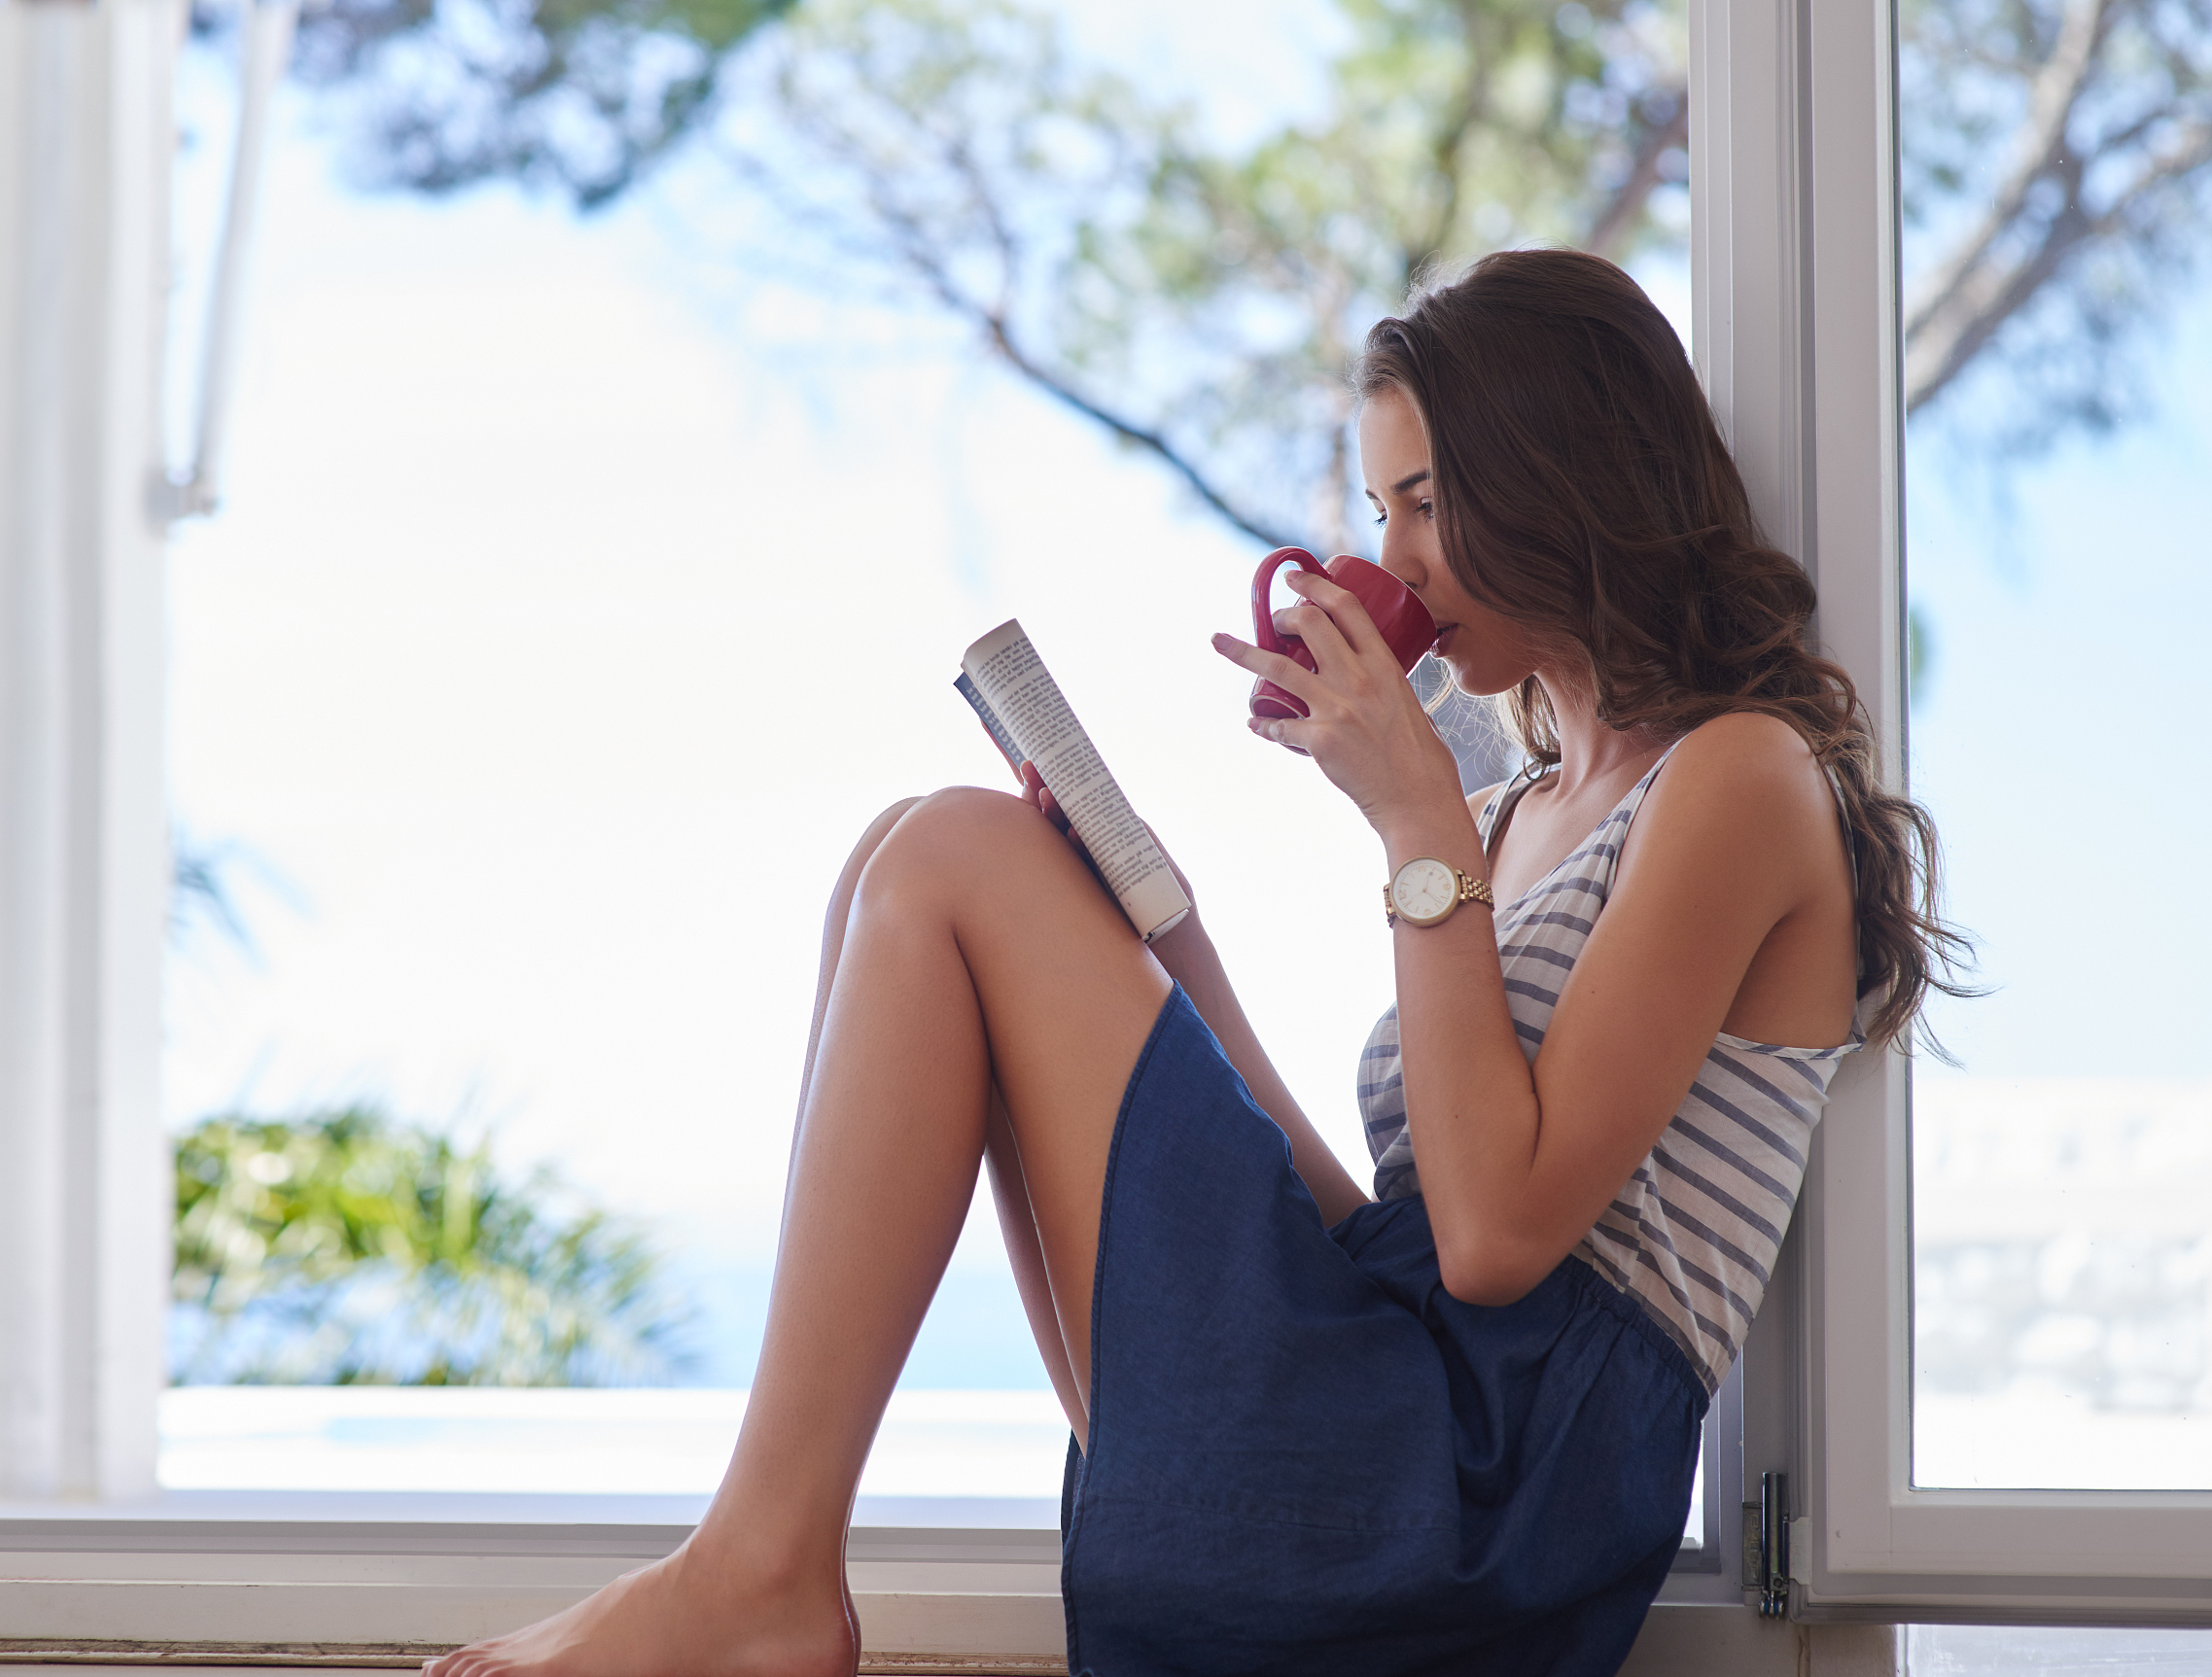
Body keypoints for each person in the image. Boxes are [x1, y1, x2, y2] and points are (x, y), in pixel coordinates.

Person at [422, 248, 1965, 1677]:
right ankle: (757, 1560)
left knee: (955, 853)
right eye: (1380, 515)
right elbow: (1398, 1236)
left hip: (1486, 1503)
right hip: (1393, 1411)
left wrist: (1413, 814)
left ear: (1563, 475)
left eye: (1427, 503)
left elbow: (1499, 1242)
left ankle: (758, 1572)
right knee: (916, 865)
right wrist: (1174, 940)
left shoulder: (1737, 777)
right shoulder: (1513, 817)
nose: (1394, 561)